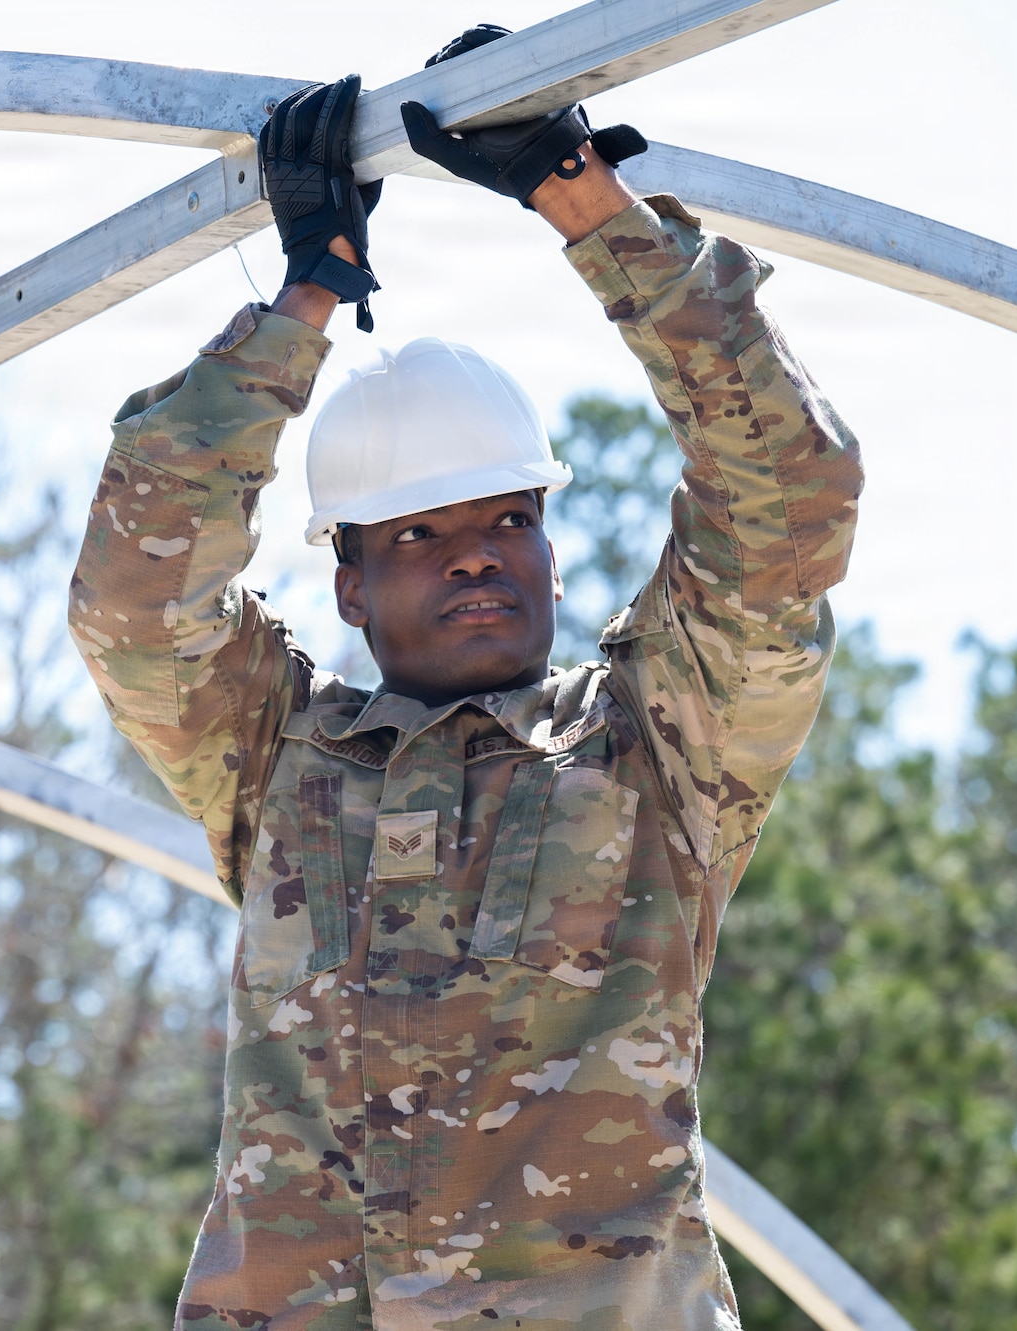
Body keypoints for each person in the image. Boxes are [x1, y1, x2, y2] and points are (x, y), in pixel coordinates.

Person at [68, 26, 863, 1330]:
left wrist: (584, 203)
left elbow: (788, 503)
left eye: (507, 522)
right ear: (349, 586)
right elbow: (134, 597)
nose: (477, 562)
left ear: (550, 545)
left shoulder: (655, 749)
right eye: (421, 536)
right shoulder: (282, 760)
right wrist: (306, 298)